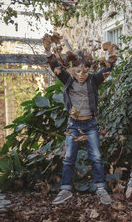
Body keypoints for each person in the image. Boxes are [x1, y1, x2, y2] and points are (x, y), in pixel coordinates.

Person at [43, 35, 116, 205]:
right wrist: (47, 51)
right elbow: (55, 66)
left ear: (89, 70)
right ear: (71, 70)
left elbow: (106, 70)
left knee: (96, 157)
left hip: (90, 124)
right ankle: (65, 190)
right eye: (77, 71)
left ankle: (100, 188)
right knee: (69, 157)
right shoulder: (68, 79)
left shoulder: (93, 80)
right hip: (73, 125)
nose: (81, 75)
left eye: (85, 71)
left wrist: (112, 55)